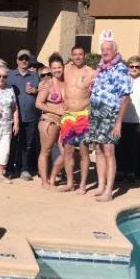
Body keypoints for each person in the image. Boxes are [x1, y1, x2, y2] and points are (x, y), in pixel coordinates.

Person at [88, 32, 132, 202]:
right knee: (98, 149)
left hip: (110, 113)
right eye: (103, 49)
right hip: (96, 111)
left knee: (109, 151)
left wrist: (118, 122)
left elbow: (125, 97)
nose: (105, 52)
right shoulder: (101, 69)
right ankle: (101, 185)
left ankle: (109, 190)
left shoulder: (120, 68)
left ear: (115, 51)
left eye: (108, 49)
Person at [59, 45, 96, 194]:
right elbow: (51, 76)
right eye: (75, 54)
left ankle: (82, 185)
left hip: (83, 115)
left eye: (80, 54)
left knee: (84, 151)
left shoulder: (91, 73)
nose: (78, 57)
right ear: (71, 56)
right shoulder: (65, 69)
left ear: (84, 55)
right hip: (67, 115)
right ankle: (69, 183)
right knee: (67, 150)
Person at [116, 56, 140, 183]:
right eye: (132, 66)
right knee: (120, 148)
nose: (135, 69)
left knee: (134, 148)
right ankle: (120, 171)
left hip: (136, 121)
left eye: (137, 66)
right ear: (128, 67)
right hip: (121, 120)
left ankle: (131, 172)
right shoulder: (122, 81)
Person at [6, 49, 40, 180]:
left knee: (27, 143)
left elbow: (41, 94)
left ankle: (23, 169)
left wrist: (36, 91)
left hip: (30, 116)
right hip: (14, 116)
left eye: (26, 58)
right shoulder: (10, 75)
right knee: (13, 143)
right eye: (21, 58)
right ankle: (10, 169)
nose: (24, 61)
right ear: (17, 61)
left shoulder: (35, 76)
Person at [35, 55, 66, 190]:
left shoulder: (66, 82)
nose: (57, 70)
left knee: (66, 153)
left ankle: (52, 176)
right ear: (50, 69)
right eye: (54, 68)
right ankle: (44, 182)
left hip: (63, 122)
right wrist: (57, 111)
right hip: (49, 121)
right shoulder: (47, 84)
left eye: (59, 67)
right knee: (45, 151)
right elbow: (38, 104)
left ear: (63, 67)